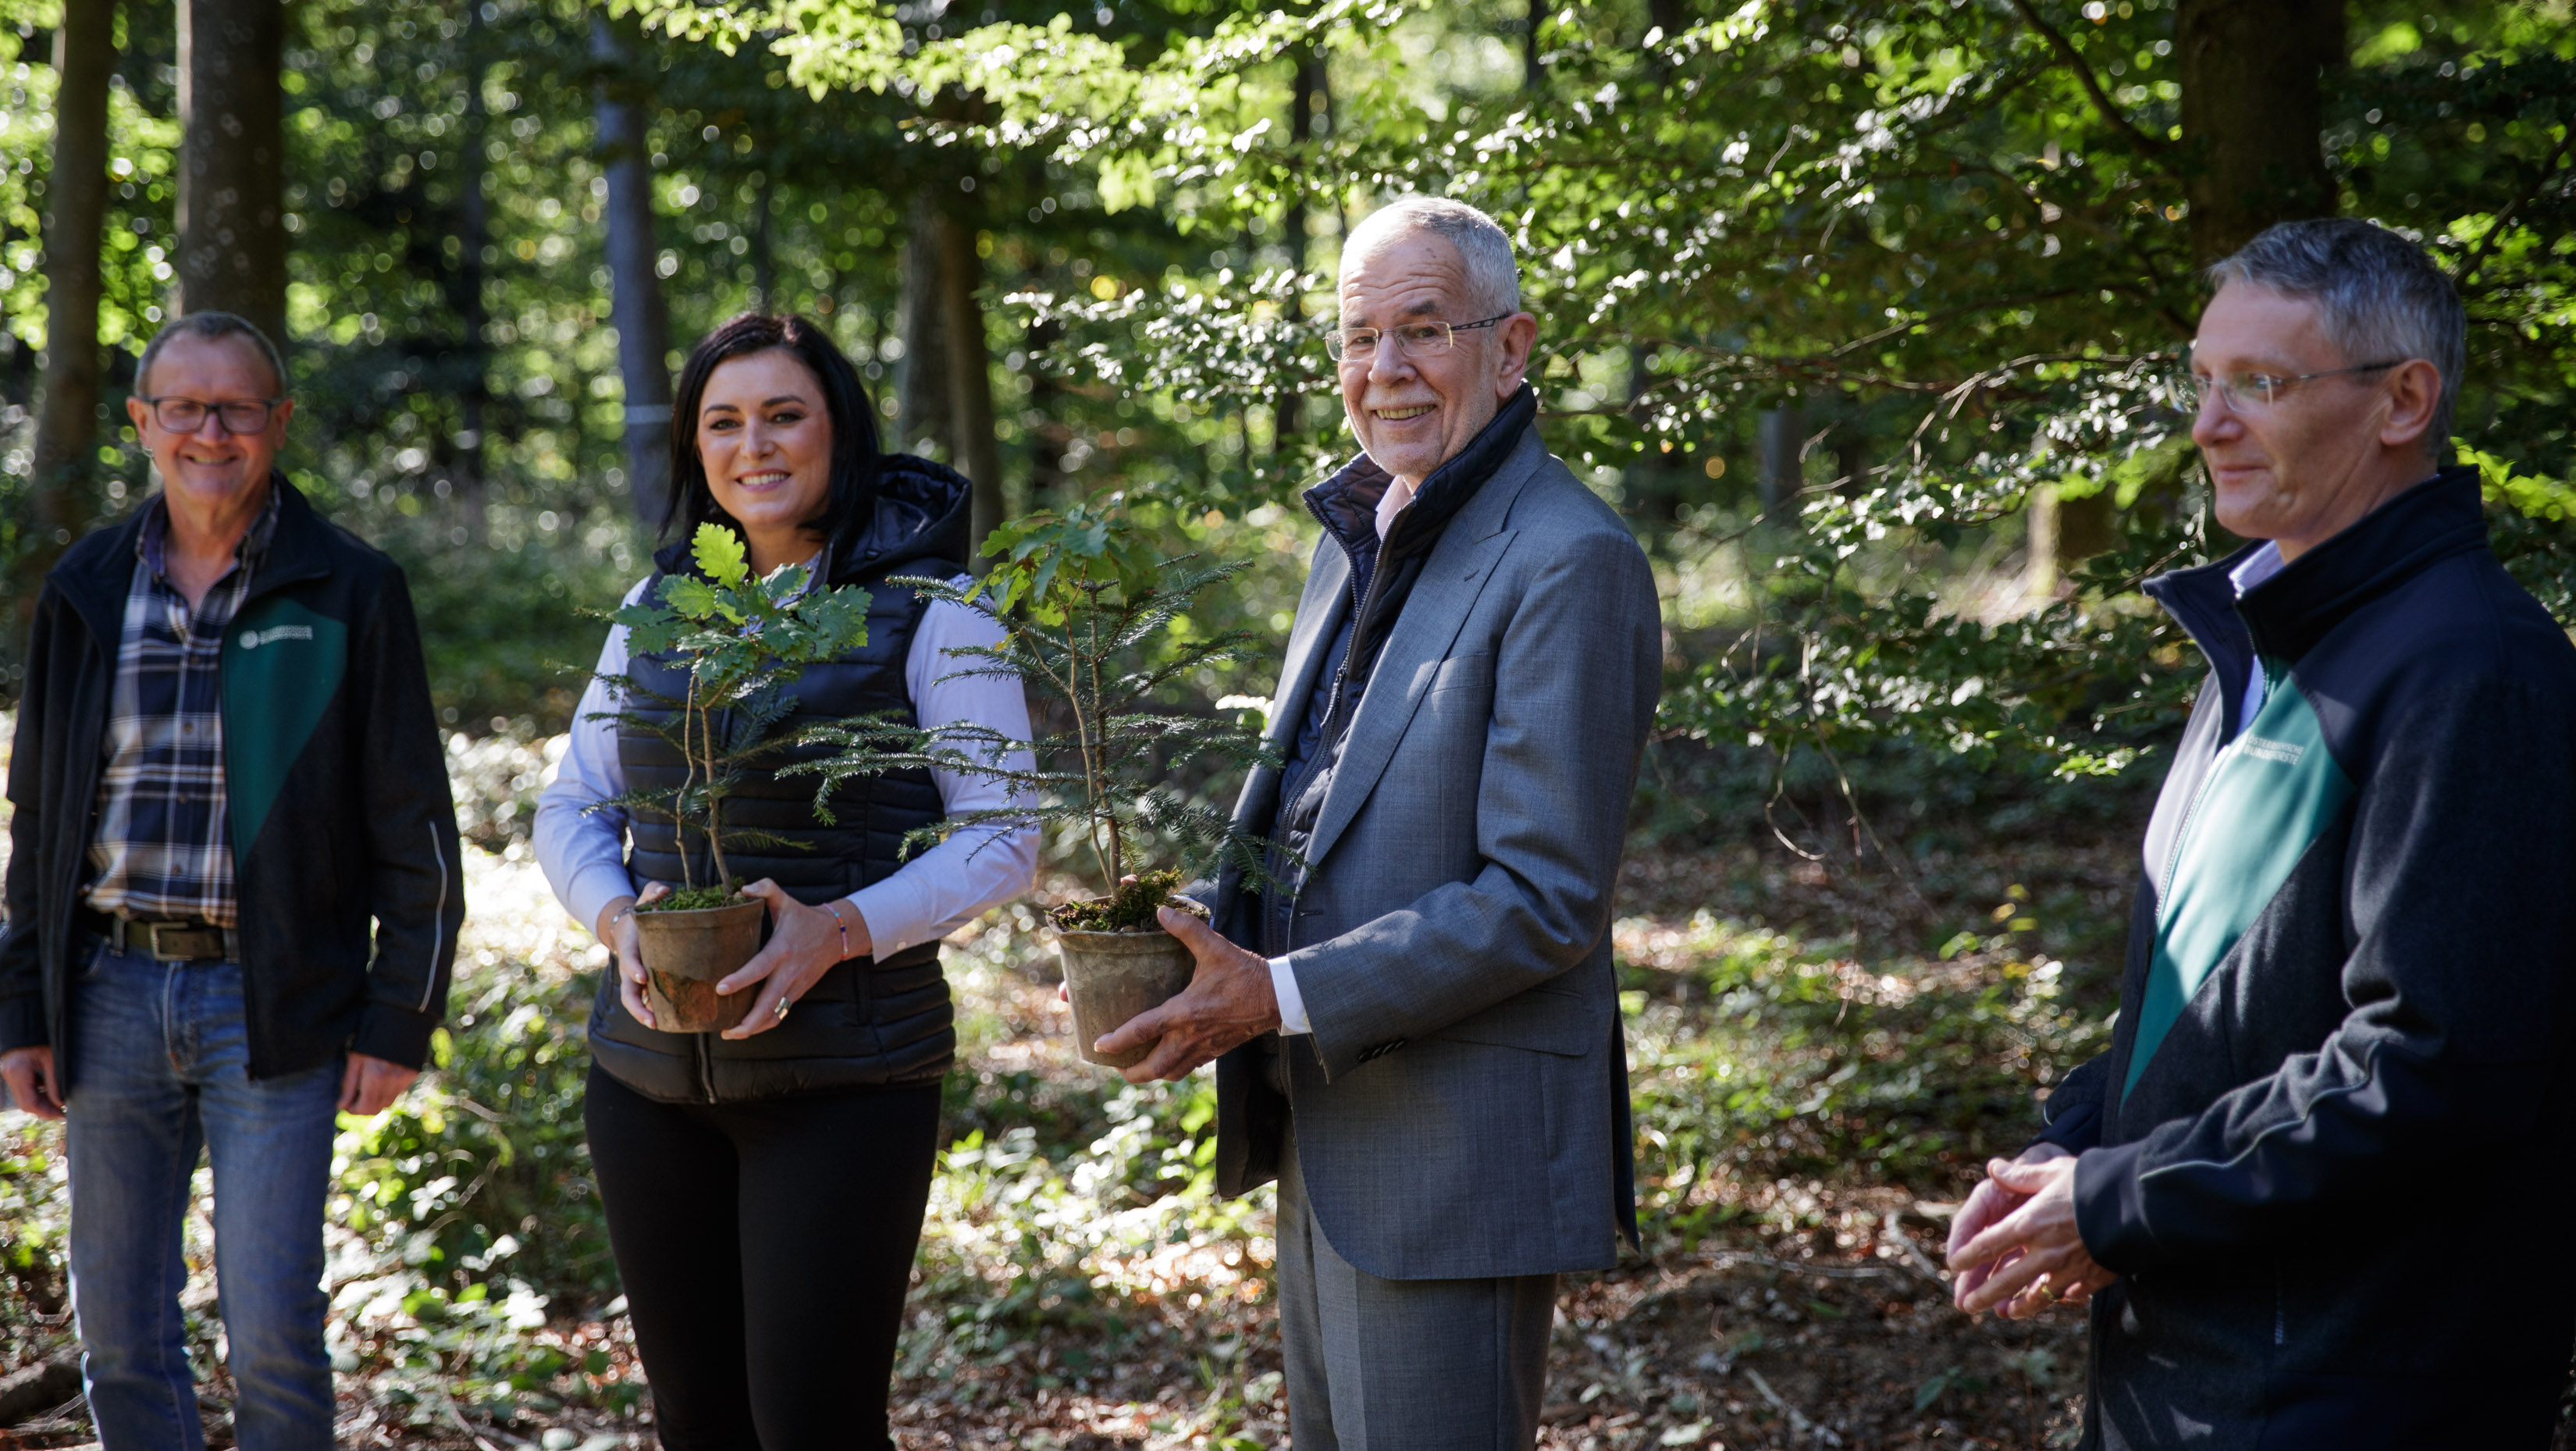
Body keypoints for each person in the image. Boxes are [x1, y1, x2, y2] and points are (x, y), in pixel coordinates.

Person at [1944, 218, 2576, 1447]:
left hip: (2350, 1387)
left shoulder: (2473, 671)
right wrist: (2063, 1159)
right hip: (2196, 1369)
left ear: (2404, 401)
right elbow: (2214, 1012)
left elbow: (2434, 1066)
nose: (2208, 425)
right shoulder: (2264, 642)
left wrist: (2119, 1203)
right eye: (2203, 380)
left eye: (2261, 385)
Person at [1096, 197, 1662, 1448]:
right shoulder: (1360, 527)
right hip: (1330, 1126)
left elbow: (1544, 897)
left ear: (1512, 348)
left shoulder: (1571, 557)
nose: (1383, 370)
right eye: (1358, 337)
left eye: (1423, 330)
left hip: (1455, 1155)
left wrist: (1279, 992)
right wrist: (1190, 935)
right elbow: (1325, 795)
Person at [532, 312, 1034, 1451]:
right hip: (648, 1083)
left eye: (782, 415)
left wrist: (840, 931)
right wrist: (616, 918)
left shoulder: (941, 611)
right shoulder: (654, 611)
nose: (753, 445)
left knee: (816, 1427)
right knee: (698, 1425)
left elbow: (1004, 835)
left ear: (839, 434)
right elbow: (570, 804)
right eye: (724, 422)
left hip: (847, 1086)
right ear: (695, 451)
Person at [0, 311, 464, 1451]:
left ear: (278, 423)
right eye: (185, 407)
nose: (212, 430)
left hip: (280, 999)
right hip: (107, 992)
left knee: (270, 1331)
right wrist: (21, 1005)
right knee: (120, 1334)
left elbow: (416, 825)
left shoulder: (348, 588)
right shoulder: (88, 584)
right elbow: (39, 815)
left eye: (238, 406)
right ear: (142, 423)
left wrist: (400, 1012)